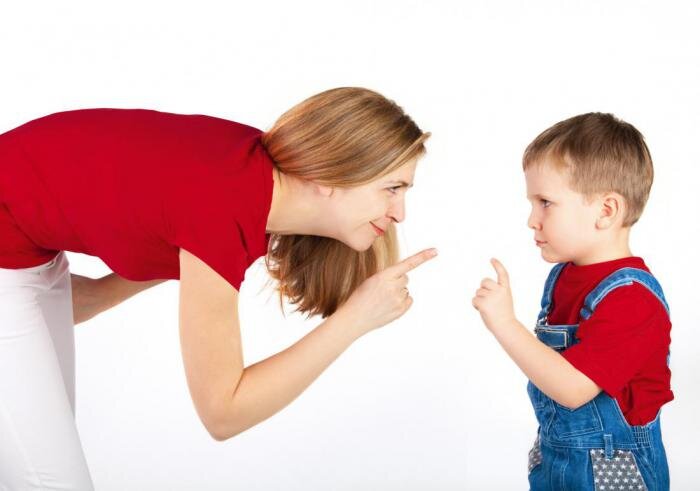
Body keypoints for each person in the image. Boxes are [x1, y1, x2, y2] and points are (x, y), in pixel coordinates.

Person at [0, 87, 436, 490]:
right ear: (330, 175)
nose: (400, 213)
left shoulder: (252, 186)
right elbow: (223, 412)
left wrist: (74, 298)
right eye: (392, 188)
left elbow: (101, 286)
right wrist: (354, 319)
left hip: (25, 254)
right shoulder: (225, 206)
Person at [471, 113, 673, 490]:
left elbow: (573, 389)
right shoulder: (563, 275)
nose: (532, 219)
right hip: (557, 458)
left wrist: (506, 324)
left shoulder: (631, 299)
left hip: (612, 471)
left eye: (546, 203)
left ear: (606, 211)